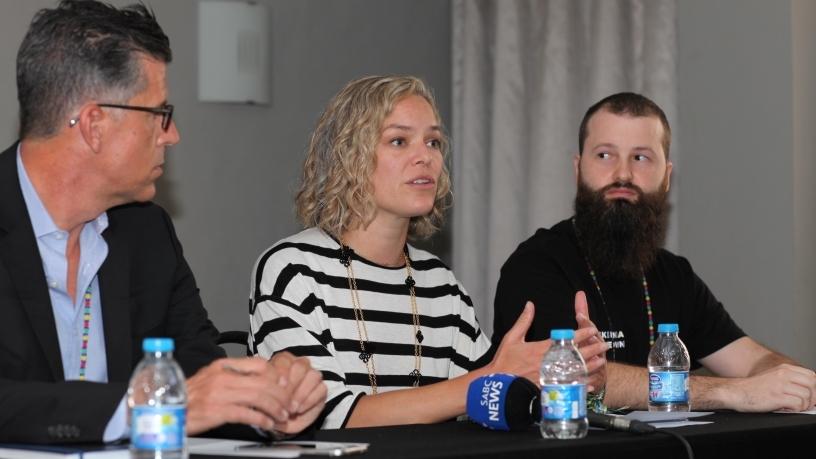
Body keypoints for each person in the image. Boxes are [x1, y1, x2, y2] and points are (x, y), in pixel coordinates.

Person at [0, 0, 326, 444]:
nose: (172, 135)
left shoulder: (146, 231)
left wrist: (263, 397)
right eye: (159, 114)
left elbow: (196, 367)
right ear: (94, 124)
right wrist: (144, 408)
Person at [248, 75, 609, 429]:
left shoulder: (440, 284)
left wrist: (560, 374)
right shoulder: (293, 270)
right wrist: (491, 377)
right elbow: (326, 415)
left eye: (433, 142)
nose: (425, 157)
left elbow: (486, 404)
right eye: (399, 141)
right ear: (349, 157)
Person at [492, 91, 816, 413]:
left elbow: (753, 360)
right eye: (605, 155)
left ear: (666, 178)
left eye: (641, 157)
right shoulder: (536, 265)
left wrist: (791, 383)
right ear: (578, 171)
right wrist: (734, 393)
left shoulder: (675, 276)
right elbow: (568, 377)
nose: (622, 174)